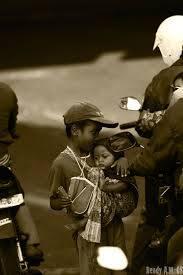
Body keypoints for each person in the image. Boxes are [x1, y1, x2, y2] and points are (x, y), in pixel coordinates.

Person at [128, 15, 183, 275]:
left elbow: (152, 136)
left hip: (169, 175)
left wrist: (135, 165)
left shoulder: (164, 79)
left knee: (151, 222)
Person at [49, 102, 130, 275]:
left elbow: (114, 155)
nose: (97, 137)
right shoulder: (61, 164)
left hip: (114, 224)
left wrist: (122, 159)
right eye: (93, 132)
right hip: (89, 234)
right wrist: (61, 201)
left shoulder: (96, 154)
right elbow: (53, 202)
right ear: (75, 130)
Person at [0, 82, 43, 273]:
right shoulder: (6, 92)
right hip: (0, 157)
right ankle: (32, 243)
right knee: (15, 195)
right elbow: (13, 128)